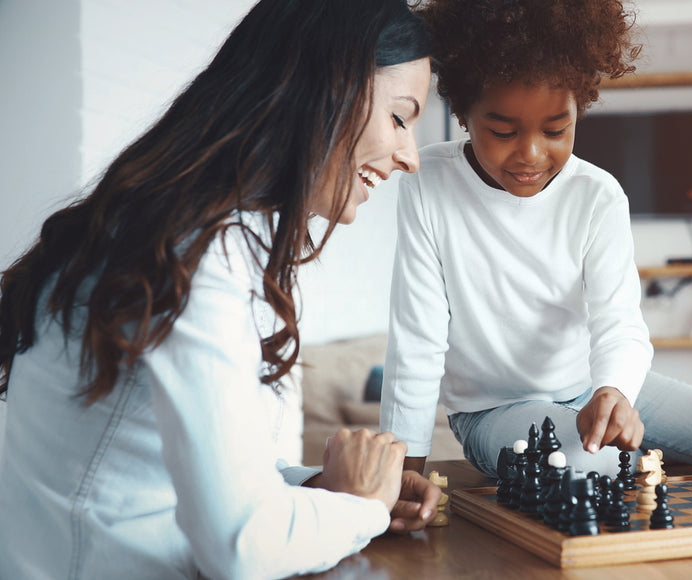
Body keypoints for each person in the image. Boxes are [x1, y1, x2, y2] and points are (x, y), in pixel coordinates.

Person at [0, 1, 442, 578]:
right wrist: (360, 506)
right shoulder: (195, 255)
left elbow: (199, 479)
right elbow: (240, 545)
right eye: (401, 118)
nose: (410, 156)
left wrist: (328, 485)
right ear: (324, 86)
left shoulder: (199, 232)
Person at [381, 0, 692, 479]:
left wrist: (615, 390)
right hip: (493, 411)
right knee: (593, 465)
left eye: (556, 128)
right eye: (502, 130)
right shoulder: (428, 184)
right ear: (463, 114)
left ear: (579, 110)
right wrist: (403, 470)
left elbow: (619, 323)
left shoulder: (597, 195)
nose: (531, 153)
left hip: (596, 386)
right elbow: (417, 341)